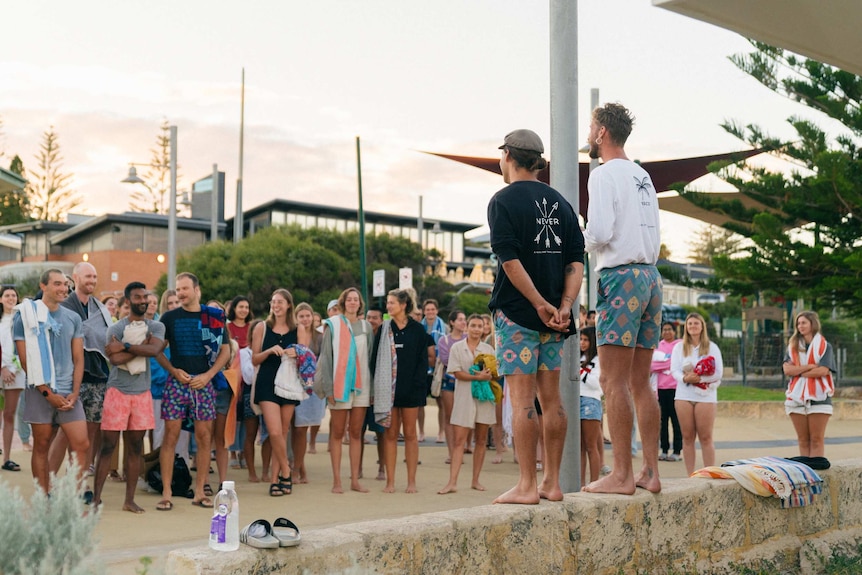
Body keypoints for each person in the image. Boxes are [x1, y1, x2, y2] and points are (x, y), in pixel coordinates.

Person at [487, 129, 584, 504]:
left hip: (517, 315)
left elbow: (509, 261)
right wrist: (563, 305)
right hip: (555, 320)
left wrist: (537, 303)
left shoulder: (502, 201)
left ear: (508, 155)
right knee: (553, 401)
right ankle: (552, 483)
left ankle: (527, 484)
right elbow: (576, 258)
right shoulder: (561, 203)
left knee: (523, 403)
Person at [581, 103, 663, 495]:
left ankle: (621, 475)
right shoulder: (642, 175)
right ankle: (650, 470)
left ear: (601, 133)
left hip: (620, 276)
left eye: (591, 127)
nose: (588, 133)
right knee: (641, 382)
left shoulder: (603, 176)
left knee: (612, 381)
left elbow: (598, 232)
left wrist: (572, 243)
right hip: (651, 276)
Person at [155, 272, 231, 510]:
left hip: (204, 384)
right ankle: (166, 492)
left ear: (197, 290)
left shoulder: (215, 318)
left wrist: (208, 376)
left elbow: (226, 351)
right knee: (171, 436)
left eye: (185, 289)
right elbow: (157, 350)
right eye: (178, 290)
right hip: (177, 383)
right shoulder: (169, 318)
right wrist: (173, 371)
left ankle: (200, 491)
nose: (180, 293)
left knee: (204, 437)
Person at [14, 269, 89, 494]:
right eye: (57, 284)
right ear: (43, 286)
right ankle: (44, 498)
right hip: (40, 391)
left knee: (81, 444)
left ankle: (72, 500)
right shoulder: (25, 316)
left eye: (66, 284)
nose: (63, 289)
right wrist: (48, 393)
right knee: (42, 446)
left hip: (68, 393)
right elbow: (26, 360)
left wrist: (75, 393)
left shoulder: (73, 318)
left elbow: (78, 358)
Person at [93, 281, 165, 513]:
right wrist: (139, 347)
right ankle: (95, 499)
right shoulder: (114, 328)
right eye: (137, 297)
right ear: (128, 301)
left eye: (145, 297)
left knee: (135, 447)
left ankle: (129, 500)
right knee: (107, 447)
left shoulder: (156, 326)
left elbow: (154, 351)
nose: (143, 301)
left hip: (142, 394)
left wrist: (124, 346)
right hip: (117, 392)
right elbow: (113, 360)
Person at [56, 262, 113, 479]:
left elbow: (107, 340)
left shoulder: (99, 308)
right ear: (75, 278)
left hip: (98, 376)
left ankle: (79, 483)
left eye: (95, 277)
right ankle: (50, 485)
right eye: (87, 276)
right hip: (70, 379)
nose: (92, 280)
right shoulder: (65, 306)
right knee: (64, 433)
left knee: (89, 435)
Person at [315, 287, 374, 493]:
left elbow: (369, 359)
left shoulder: (367, 327)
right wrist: (329, 387)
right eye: (348, 299)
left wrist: (372, 389)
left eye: (355, 299)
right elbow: (326, 358)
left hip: (362, 386)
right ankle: (337, 481)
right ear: (343, 302)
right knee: (338, 433)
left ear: (360, 303)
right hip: (339, 385)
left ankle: (355, 480)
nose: (352, 302)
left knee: (356, 433)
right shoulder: (333, 325)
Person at [252, 288, 308, 497]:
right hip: (267, 383)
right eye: (273, 302)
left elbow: (306, 357)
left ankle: (277, 480)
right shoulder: (262, 327)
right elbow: (254, 359)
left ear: (288, 306)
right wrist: (268, 351)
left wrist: (297, 353)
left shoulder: (299, 329)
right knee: (274, 432)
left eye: (280, 302)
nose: (276, 306)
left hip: (290, 384)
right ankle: (286, 470)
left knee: (282, 434)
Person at [373, 289, 428, 493]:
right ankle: (390, 482)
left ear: (403, 305)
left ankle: (411, 482)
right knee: (390, 435)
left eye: (392, 303)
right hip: (389, 392)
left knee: (411, 435)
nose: (388, 306)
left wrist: (419, 388)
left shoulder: (418, 330)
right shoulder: (384, 328)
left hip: (411, 391)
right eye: (387, 303)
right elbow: (375, 360)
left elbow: (423, 362)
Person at [438, 314, 495, 494]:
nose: (477, 329)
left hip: (484, 398)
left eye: (480, 326)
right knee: (459, 441)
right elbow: (456, 373)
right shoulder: (457, 348)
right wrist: (477, 376)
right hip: (463, 398)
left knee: (481, 439)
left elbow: (493, 373)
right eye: (473, 325)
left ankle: (475, 480)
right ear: (467, 327)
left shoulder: (489, 349)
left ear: (484, 328)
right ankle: (452, 482)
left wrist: (486, 377)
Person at [671, 313, 723, 475]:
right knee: (687, 437)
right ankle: (690, 475)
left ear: (702, 326)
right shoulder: (679, 347)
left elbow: (718, 373)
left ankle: (709, 473)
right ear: (686, 327)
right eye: (690, 323)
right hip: (684, 395)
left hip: (705, 396)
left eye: (696, 323)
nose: (693, 326)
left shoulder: (712, 347)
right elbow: (674, 370)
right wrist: (685, 378)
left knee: (705, 437)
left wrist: (699, 378)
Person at [783, 311, 836, 458]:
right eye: (798, 323)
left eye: (804, 322)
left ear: (813, 324)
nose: (800, 326)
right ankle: (805, 476)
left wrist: (798, 372)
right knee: (803, 440)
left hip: (819, 397)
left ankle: (817, 474)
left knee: (816, 440)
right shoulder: (792, 346)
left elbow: (823, 370)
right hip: (796, 396)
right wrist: (810, 367)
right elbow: (787, 369)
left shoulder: (825, 346)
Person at [292, 301, 324, 484]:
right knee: (295, 430)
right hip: (294, 385)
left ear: (313, 316)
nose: (305, 319)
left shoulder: (320, 337)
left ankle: (298, 469)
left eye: (307, 315)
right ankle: (297, 468)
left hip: (312, 389)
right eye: (301, 316)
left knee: (302, 428)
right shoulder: (293, 334)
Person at [436, 310, 467, 463]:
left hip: (466, 382)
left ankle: (460, 449)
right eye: (460, 319)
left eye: (464, 319)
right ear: (452, 322)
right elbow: (447, 360)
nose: (463, 322)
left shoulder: (469, 338)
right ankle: (451, 452)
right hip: (449, 382)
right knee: (449, 417)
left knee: (463, 418)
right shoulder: (444, 341)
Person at [1, 286, 25, 471]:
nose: (10, 298)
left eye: (13, 295)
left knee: (9, 414)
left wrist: (15, 368)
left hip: (15, 372)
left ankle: (7, 458)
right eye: (7, 295)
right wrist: (2, 368)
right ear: (0, 299)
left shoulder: (22, 320)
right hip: (1, 369)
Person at [652, 322, 682, 462]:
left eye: (670, 329)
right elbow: (651, 366)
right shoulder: (658, 346)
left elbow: (679, 363)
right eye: (664, 330)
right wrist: (669, 363)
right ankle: (664, 450)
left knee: (676, 421)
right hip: (661, 389)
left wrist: (663, 365)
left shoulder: (680, 344)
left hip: (676, 389)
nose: (667, 332)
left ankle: (676, 451)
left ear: (675, 332)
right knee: (662, 422)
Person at [578, 327, 604, 485]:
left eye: (586, 339)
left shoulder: (599, 360)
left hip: (590, 401)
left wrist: (580, 372)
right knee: (579, 446)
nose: (582, 343)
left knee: (591, 445)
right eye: (580, 339)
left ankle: (594, 482)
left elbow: (597, 384)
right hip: (576, 400)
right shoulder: (577, 357)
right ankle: (580, 483)